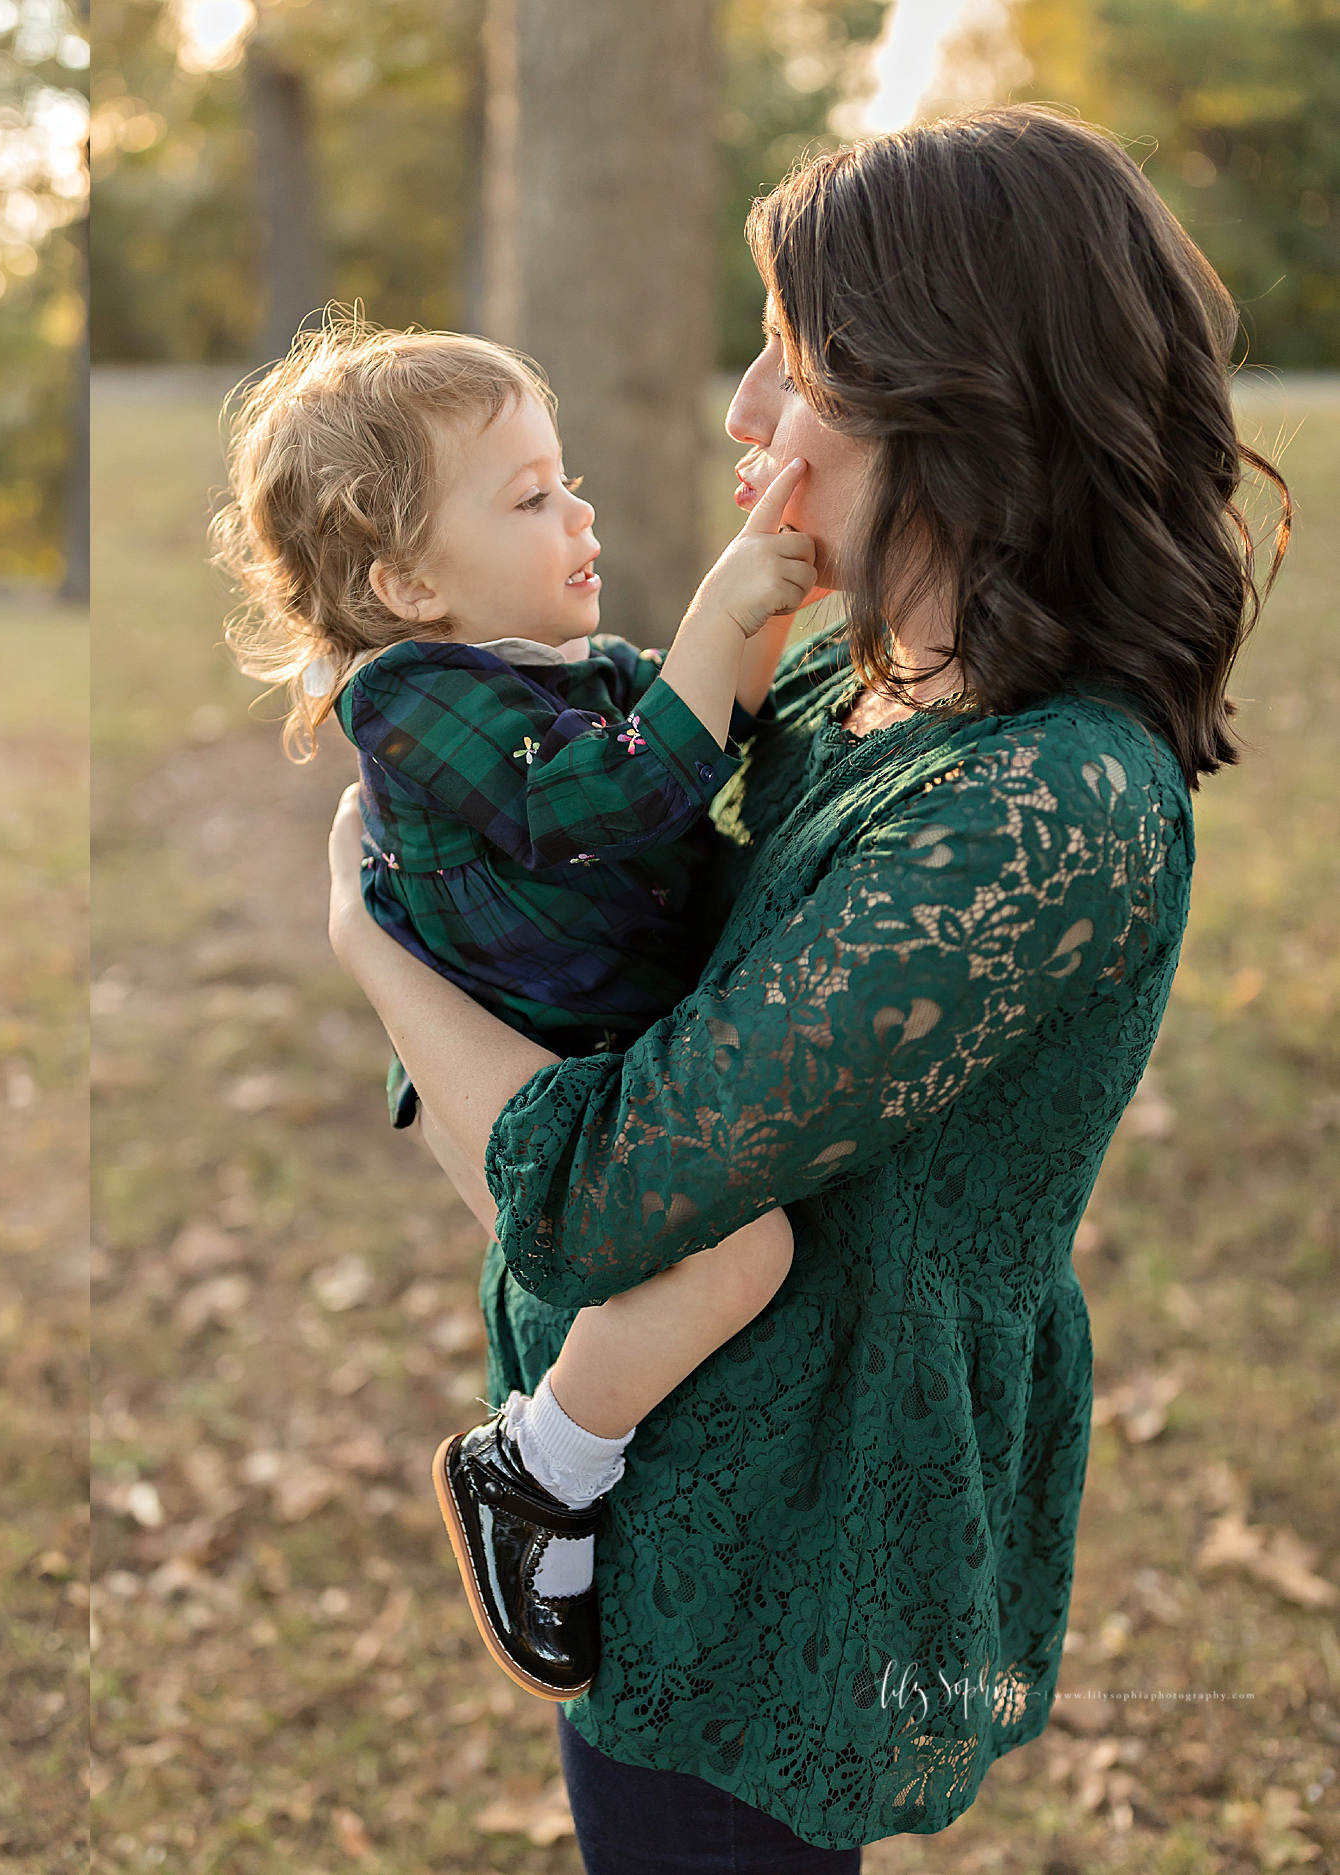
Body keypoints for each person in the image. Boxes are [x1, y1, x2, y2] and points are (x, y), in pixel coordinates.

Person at [322, 106, 1285, 1862]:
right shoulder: (863, 688)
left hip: (802, 1533)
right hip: (662, 1478)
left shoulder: (1039, 800)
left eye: (798, 368)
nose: (743, 420)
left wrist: (369, 948)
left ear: (961, 397)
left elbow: (603, 1197)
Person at [214, 318, 812, 1700]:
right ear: (407, 580)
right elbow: (611, 806)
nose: (577, 512)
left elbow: (709, 770)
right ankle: (534, 1470)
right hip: (517, 1077)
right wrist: (716, 623)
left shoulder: (575, 672)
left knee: (724, 1271)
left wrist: (763, 627)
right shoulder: (412, 706)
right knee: (736, 1259)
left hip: (597, 1047)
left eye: (568, 479)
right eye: (530, 498)